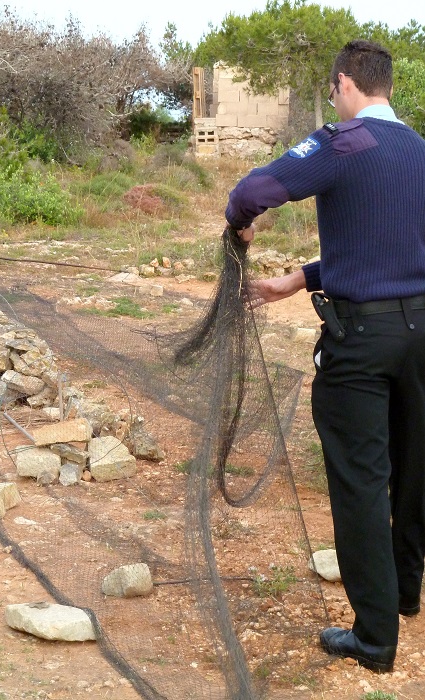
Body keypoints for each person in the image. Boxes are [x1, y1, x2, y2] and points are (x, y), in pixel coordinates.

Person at [225, 39, 425, 673]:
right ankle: (406, 592)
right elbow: (388, 241)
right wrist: (301, 278)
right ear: (387, 86)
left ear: (344, 84)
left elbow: (253, 188)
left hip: (360, 345)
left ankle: (374, 638)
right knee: (415, 466)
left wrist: (241, 223)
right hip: (422, 334)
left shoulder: (344, 142)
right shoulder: (419, 150)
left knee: (362, 480)